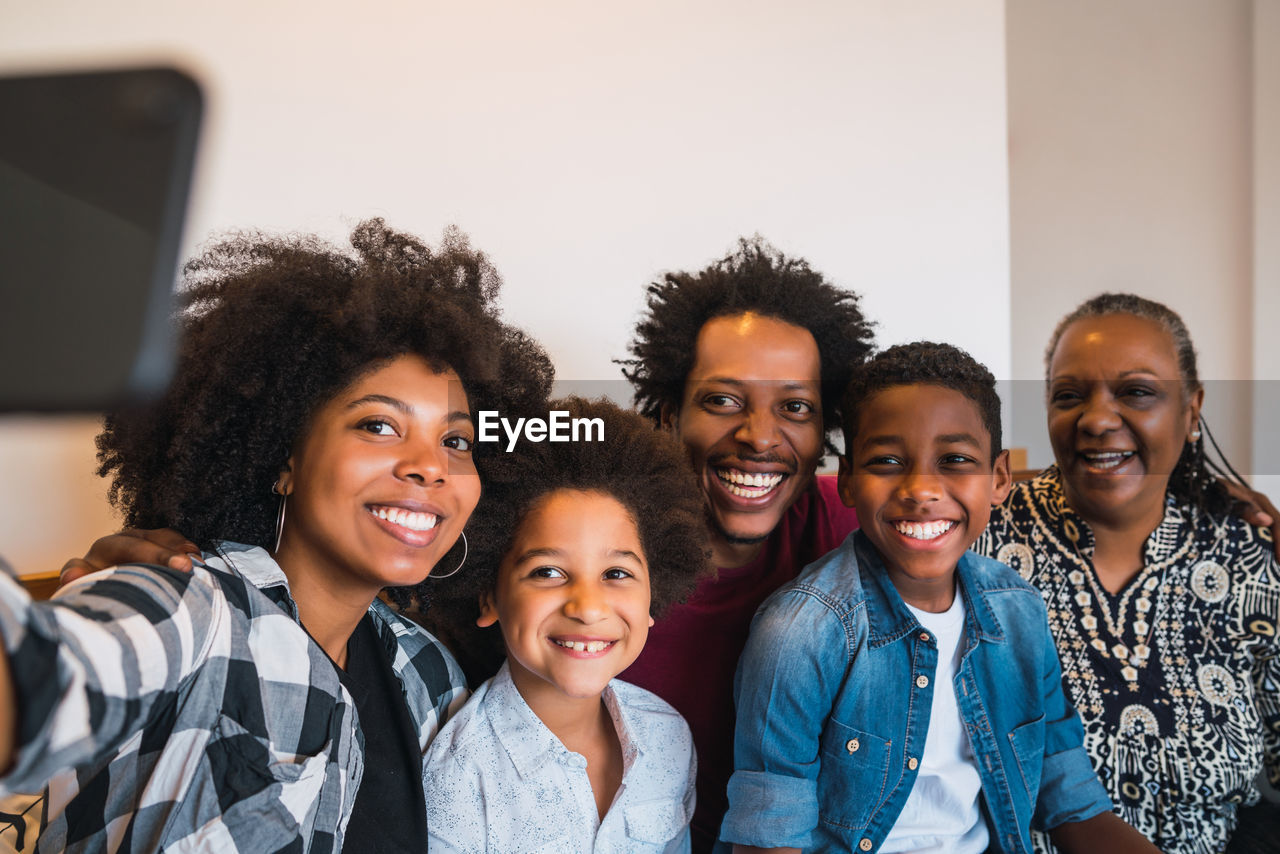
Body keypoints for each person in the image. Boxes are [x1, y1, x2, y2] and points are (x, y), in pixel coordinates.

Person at [0, 220, 553, 853]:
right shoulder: (188, 606)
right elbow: (40, 680)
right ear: (283, 458)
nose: (431, 465)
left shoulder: (426, 674)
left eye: (456, 441)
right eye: (378, 425)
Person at [721, 342, 1159, 854]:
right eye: (886, 461)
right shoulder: (800, 632)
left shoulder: (1019, 613)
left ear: (998, 479)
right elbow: (769, 838)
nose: (921, 488)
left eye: (954, 460)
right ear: (847, 480)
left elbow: (1073, 803)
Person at [974, 293, 1280, 854]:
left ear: (1192, 412)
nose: (1095, 419)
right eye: (1069, 396)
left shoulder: (1249, 555)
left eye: (1136, 392)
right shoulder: (982, 544)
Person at [617, 238, 875, 848]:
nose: (760, 437)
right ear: (666, 415)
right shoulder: (598, 556)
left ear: (824, 435)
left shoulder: (855, 525)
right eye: (722, 400)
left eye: (795, 406)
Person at [420, 397, 710, 852]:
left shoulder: (668, 734)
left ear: (655, 594)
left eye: (617, 574)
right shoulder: (456, 776)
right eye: (547, 572)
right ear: (488, 595)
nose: (588, 607)